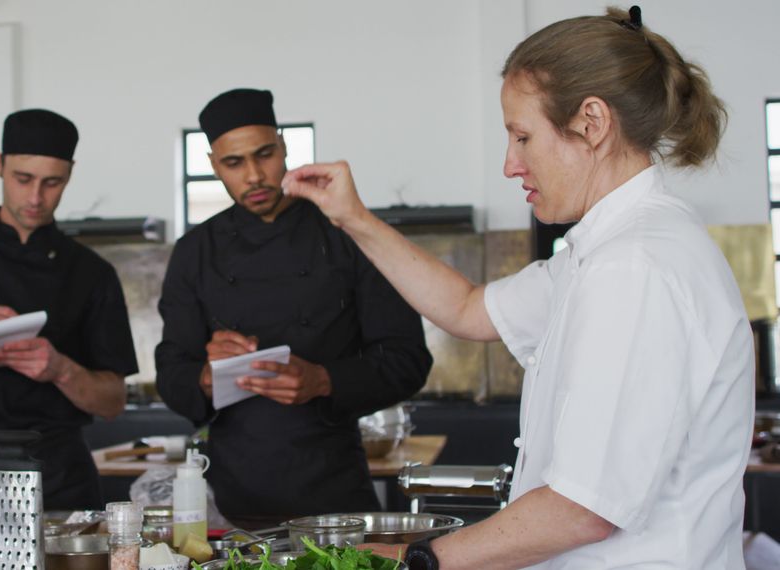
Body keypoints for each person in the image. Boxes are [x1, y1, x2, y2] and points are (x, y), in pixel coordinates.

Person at [285, 7, 751, 569]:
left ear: (593, 123)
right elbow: (469, 309)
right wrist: (353, 217)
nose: (510, 164)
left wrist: (420, 560)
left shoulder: (635, 265)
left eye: (522, 136)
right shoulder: (602, 251)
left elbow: (584, 509)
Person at [155, 88, 432, 522]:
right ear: (213, 165)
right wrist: (206, 377)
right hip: (229, 496)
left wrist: (324, 379)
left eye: (264, 154)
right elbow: (170, 371)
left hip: (334, 489)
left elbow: (408, 359)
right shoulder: (194, 252)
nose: (254, 176)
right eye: (233, 163)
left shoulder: (347, 233)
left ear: (284, 146)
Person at [0, 109, 137, 510]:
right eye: (23, 179)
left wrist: (61, 369)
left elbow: (113, 401)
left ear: (70, 174)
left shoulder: (91, 273)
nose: (35, 197)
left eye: (52, 182)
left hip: (62, 479)